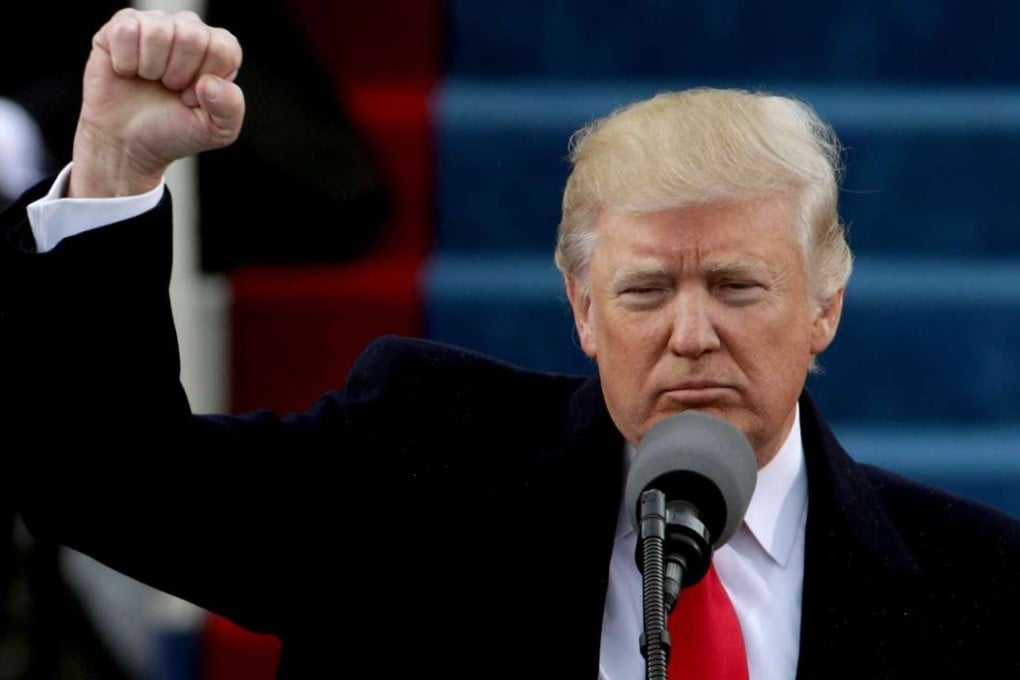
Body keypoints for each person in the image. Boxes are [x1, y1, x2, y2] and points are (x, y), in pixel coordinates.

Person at [3, 7, 1019, 679]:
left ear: (825, 307)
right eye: (645, 289)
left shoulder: (980, 583)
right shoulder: (419, 462)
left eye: (736, 286)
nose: (690, 333)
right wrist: (114, 166)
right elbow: (109, 479)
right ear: (583, 310)